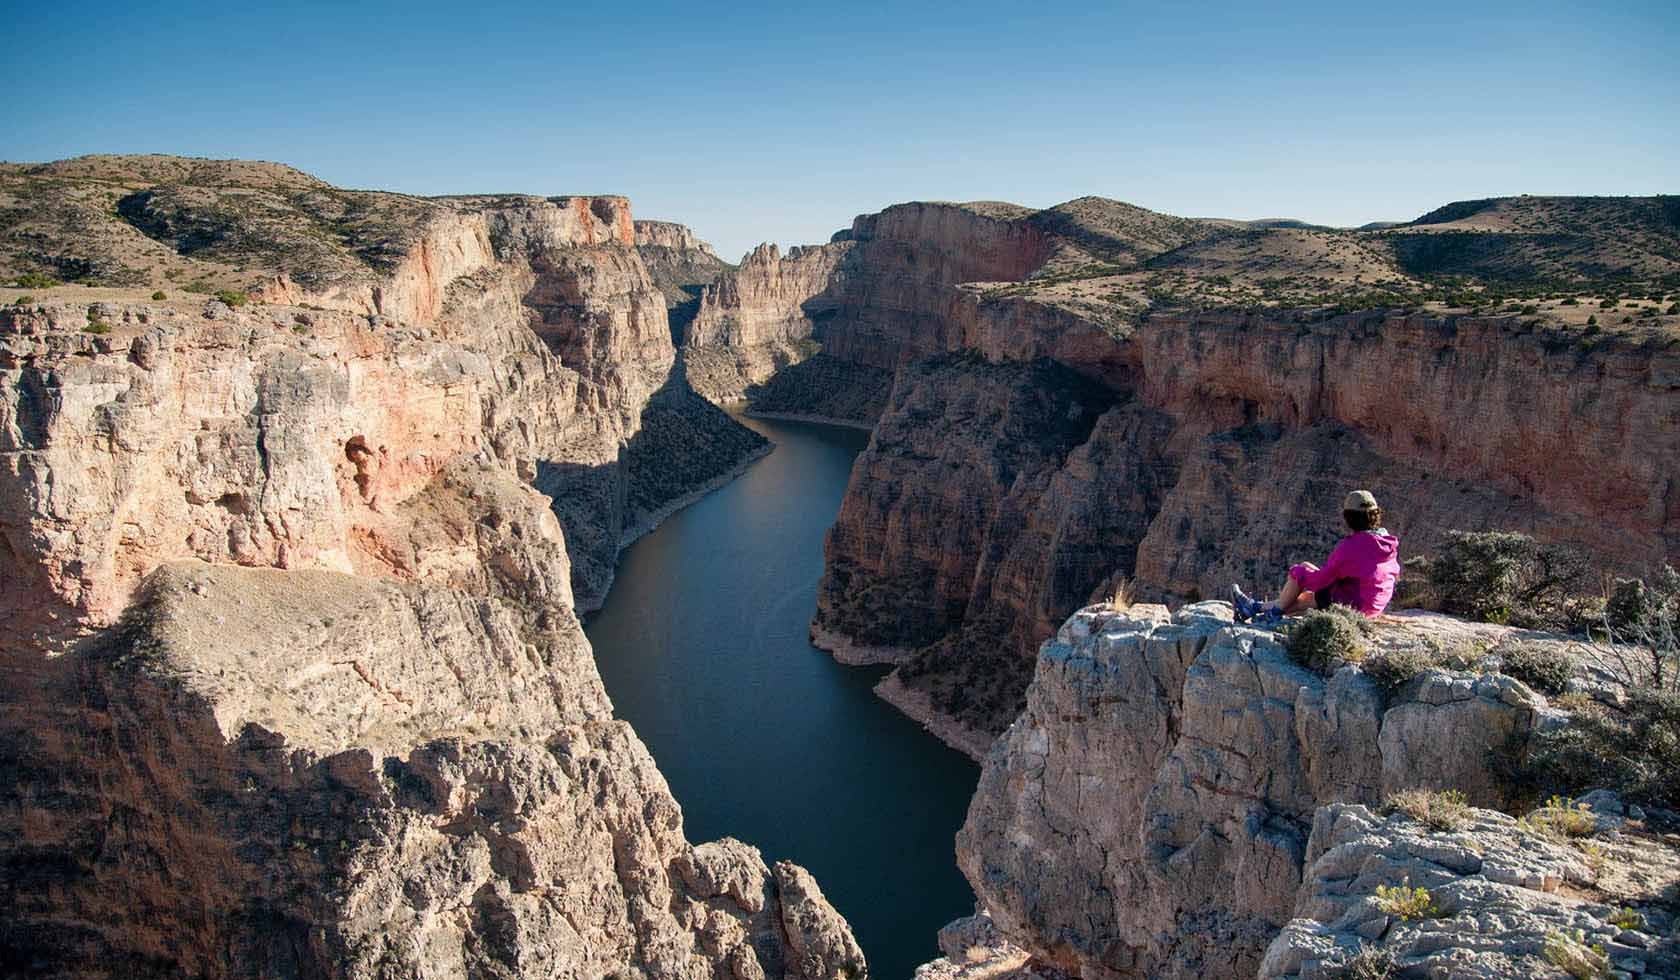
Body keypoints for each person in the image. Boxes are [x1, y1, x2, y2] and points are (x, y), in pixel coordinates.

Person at [1232, 490, 1400, 625]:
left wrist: (1297, 572)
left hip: (1356, 606)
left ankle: (1272, 614)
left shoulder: (1352, 547)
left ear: (1349, 518)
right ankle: (1254, 607)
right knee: (1309, 595)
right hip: (1373, 604)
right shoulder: (1387, 542)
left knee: (1302, 579)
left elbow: (1319, 582)